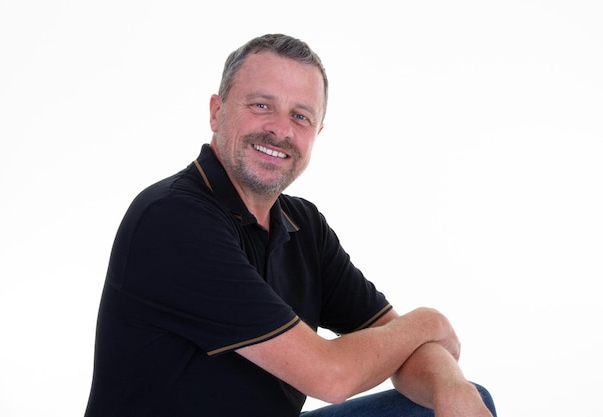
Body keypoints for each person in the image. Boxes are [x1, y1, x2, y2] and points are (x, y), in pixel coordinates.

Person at [84, 33, 497, 417]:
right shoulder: (172, 220)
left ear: (316, 133)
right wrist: (430, 321)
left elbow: (398, 343)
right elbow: (331, 376)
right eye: (261, 105)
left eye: (300, 116)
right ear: (216, 111)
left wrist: (451, 388)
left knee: (460, 399)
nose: (280, 129)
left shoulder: (303, 225)